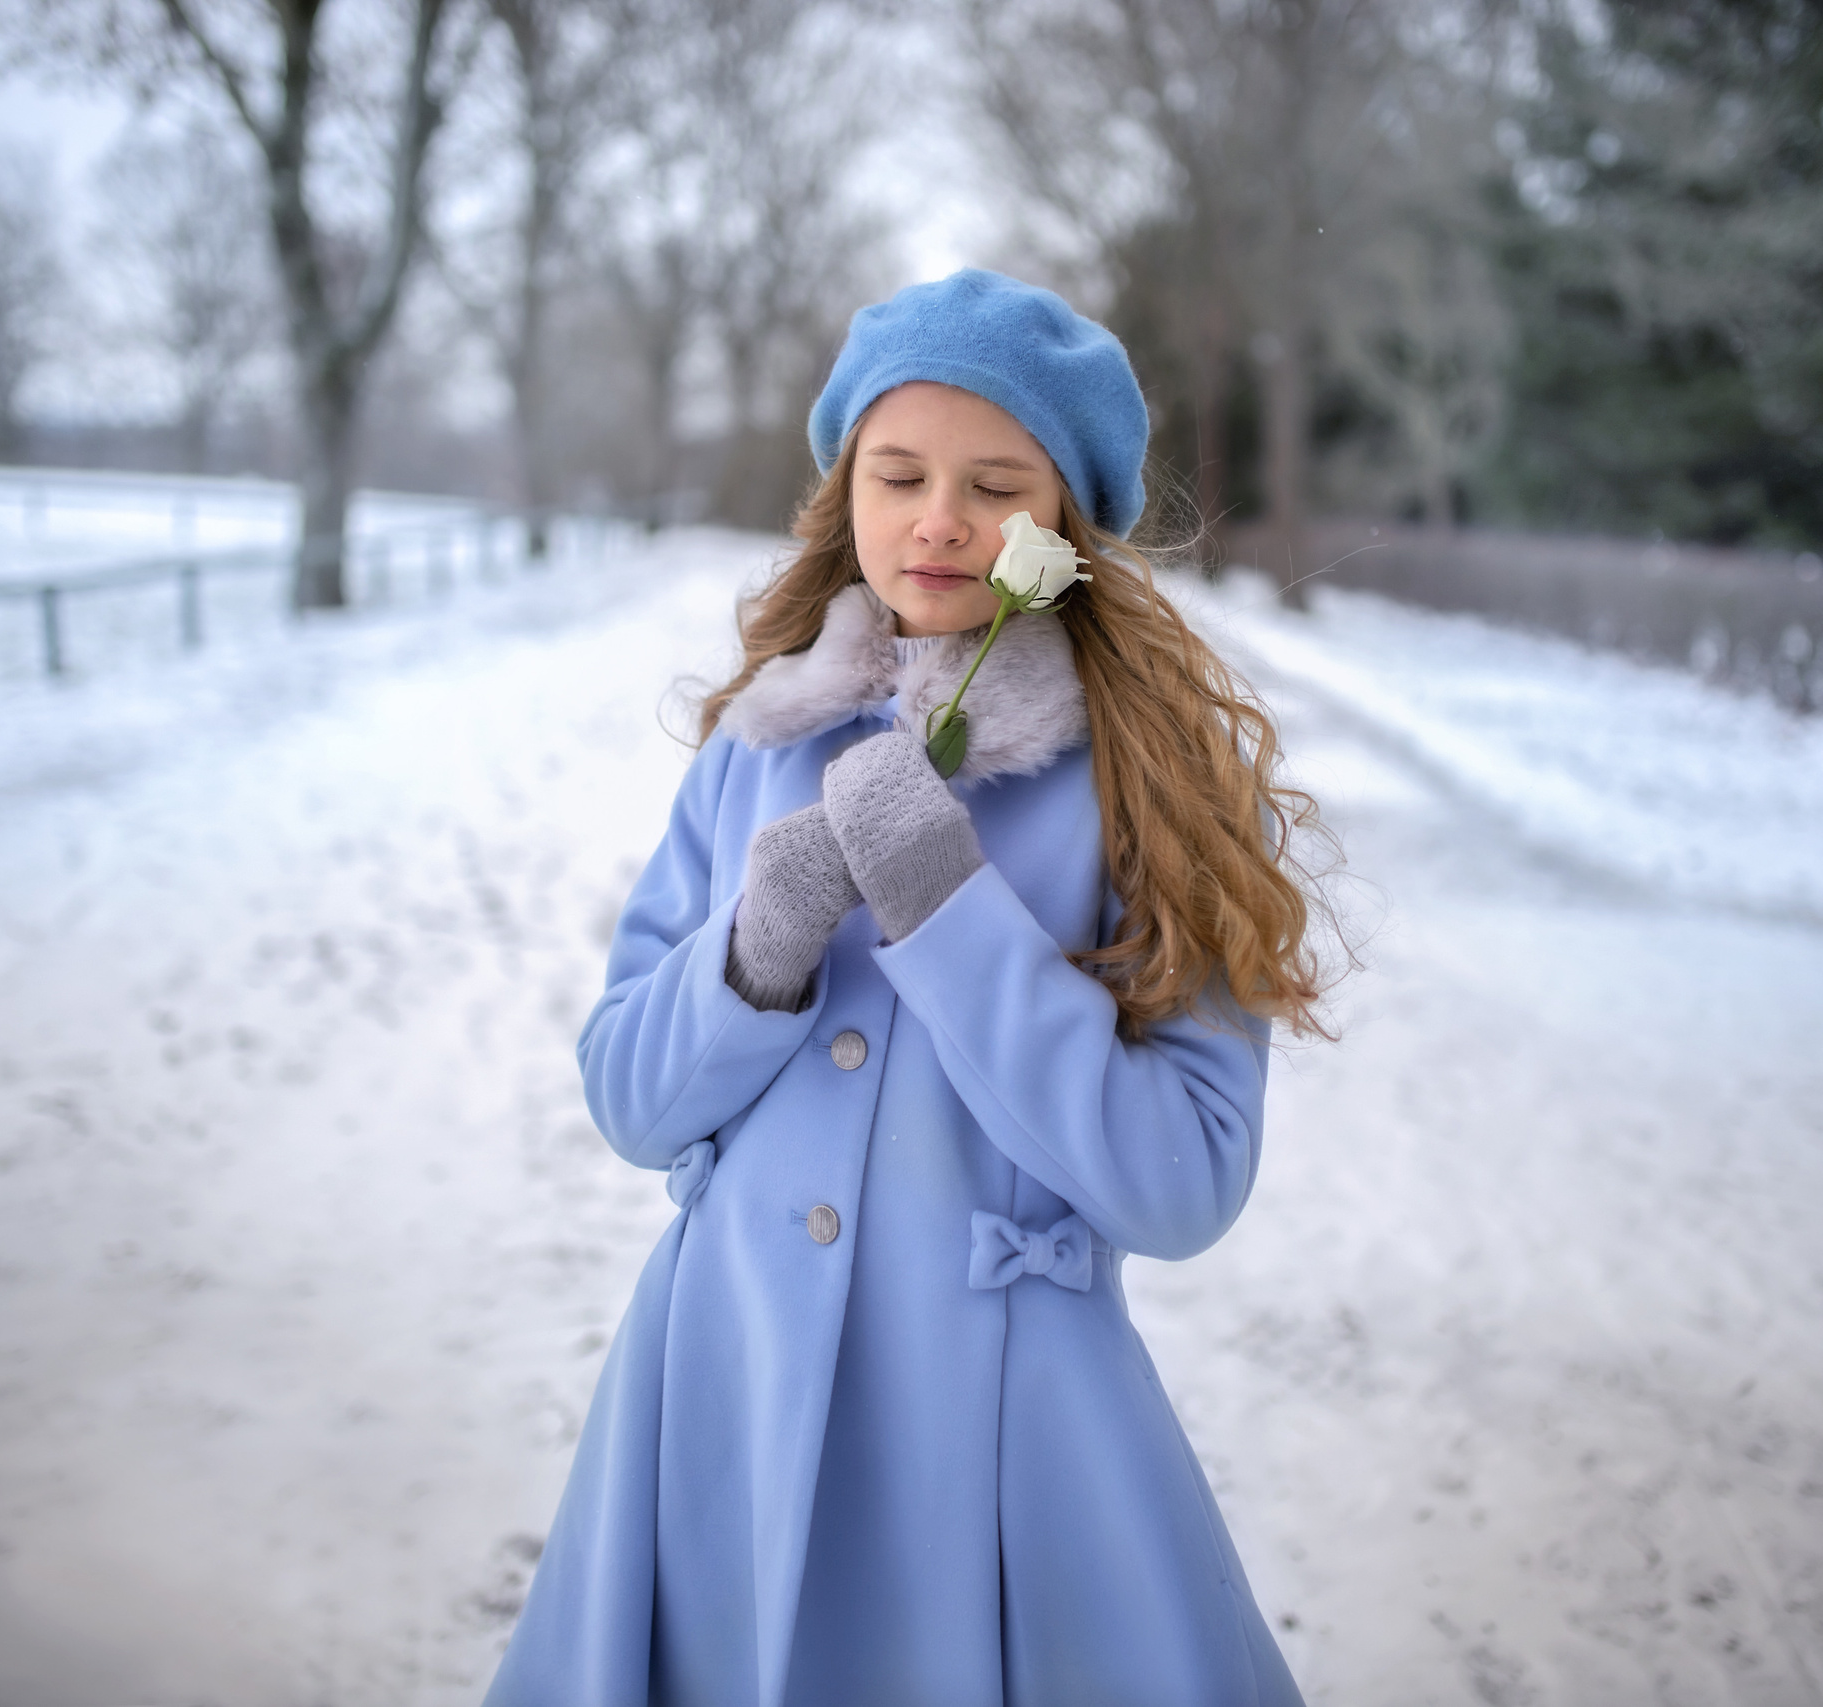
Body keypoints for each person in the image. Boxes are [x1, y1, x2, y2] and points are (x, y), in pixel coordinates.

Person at [483, 269, 1329, 1707]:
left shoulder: (1158, 788)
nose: (940, 517)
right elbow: (630, 1099)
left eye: (997, 482)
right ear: (846, 490)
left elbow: (1184, 1179)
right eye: (899, 473)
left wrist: (950, 910)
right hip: (721, 1400)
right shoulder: (757, 747)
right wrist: (761, 942)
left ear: (1065, 521)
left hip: (1000, 1450)